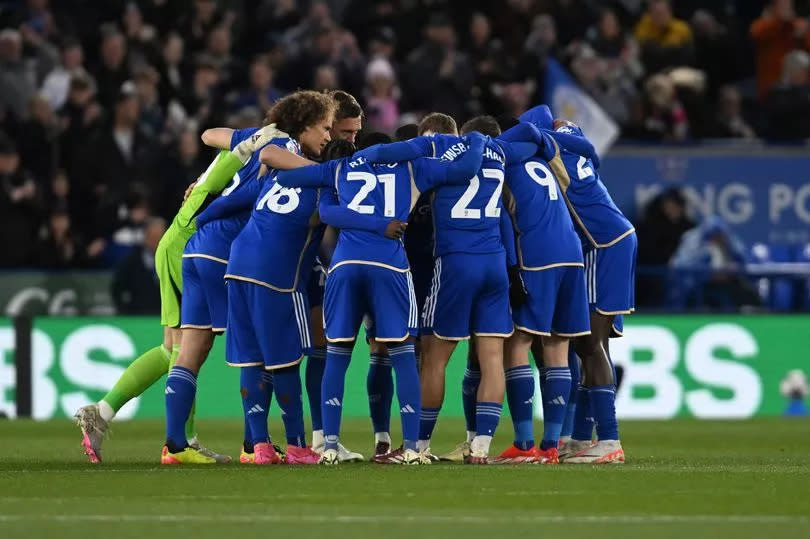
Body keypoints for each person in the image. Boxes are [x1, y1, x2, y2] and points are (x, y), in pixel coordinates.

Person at [74, 120, 286, 464]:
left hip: (180, 236)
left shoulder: (251, 142)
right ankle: (180, 444)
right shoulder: (274, 149)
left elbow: (209, 135)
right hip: (189, 242)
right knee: (189, 347)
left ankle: (103, 413)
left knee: (172, 346)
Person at [275, 128, 490, 465]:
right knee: (404, 355)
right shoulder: (413, 167)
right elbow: (466, 170)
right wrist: (477, 140)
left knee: (337, 354)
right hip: (389, 266)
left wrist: (331, 192)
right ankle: (412, 449)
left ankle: (329, 445)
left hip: (345, 266)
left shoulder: (341, 167)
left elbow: (288, 181)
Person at [355, 115, 542, 463]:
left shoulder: (437, 156)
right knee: (491, 358)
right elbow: (532, 137)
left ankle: (419, 446)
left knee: (433, 356)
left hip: (456, 261)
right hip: (495, 263)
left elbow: (391, 153)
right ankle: (481, 447)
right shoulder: (499, 150)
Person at [162, 90, 336, 465]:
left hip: (198, 246)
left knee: (192, 350)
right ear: (304, 125)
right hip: (234, 249)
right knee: (264, 350)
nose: (329, 136)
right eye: (324, 127)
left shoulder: (265, 138)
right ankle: (256, 444)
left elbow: (209, 135)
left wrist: (252, 139)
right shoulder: (291, 153)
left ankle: (174, 446)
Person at [491, 112, 592, 465]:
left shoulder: (506, 159)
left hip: (538, 255)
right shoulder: (549, 162)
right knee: (558, 348)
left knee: (518, 343)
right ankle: (551, 446)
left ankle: (523, 445)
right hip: (572, 255)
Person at [538, 115, 634, 465]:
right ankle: (581, 439)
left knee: (589, 344)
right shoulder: (577, 149)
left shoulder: (550, 154)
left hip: (603, 245)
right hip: (613, 240)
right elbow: (586, 147)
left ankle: (609, 440)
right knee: (590, 345)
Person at [111, 217, 165, 313]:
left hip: (167, 319)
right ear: (145, 236)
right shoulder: (130, 262)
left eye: (159, 237)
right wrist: (125, 313)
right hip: (137, 318)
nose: (156, 241)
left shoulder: (175, 261)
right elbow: (117, 289)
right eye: (152, 237)